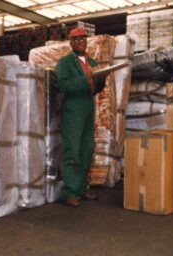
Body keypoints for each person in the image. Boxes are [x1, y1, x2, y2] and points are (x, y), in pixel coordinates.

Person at [56, 28, 107, 207]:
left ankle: (81, 189)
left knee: (87, 149)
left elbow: (96, 88)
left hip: (88, 104)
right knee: (73, 149)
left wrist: (102, 78)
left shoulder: (91, 61)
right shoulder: (65, 62)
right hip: (73, 106)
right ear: (70, 42)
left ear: (86, 41)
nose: (80, 42)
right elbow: (63, 85)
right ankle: (69, 192)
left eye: (83, 39)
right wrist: (84, 79)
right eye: (76, 39)